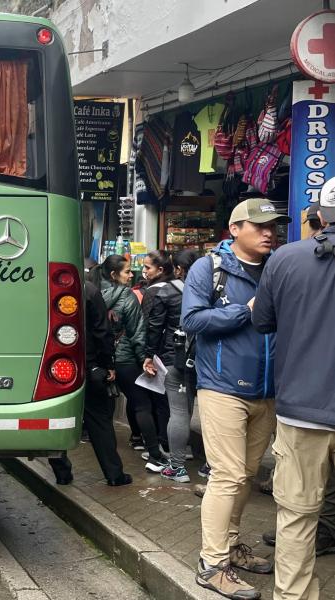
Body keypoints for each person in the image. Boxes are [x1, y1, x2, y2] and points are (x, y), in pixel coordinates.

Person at [182, 197, 287, 599]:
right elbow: (192, 320)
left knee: (244, 477)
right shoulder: (209, 268)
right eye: (259, 226)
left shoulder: (278, 268)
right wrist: (246, 310)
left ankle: (232, 547)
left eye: (273, 226)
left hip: (268, 393)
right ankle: (212, 565)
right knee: (226, 477)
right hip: (222, 388)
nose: (269, 233)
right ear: (235, 230)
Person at [252, 190, 335, 600]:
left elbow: (262, 321)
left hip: (303, 410)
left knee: (297, 517)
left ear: (319, 215)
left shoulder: (285, 259)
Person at [49, 279, 132, 487]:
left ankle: (62, 472)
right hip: (89, 364)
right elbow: (102, 331)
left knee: (55, 419)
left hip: (52, 365)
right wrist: (107, 363)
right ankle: (114, 473)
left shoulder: (43, 284)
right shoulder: (90, 290)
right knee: (100, 420)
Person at [90, 255, 148, 452]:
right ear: (114, 275)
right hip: (123, 357)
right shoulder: (127, 295)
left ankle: (104, 450)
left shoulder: (90, 292)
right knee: (141, 402)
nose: (131, 275)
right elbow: (137, 331)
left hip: (95, 360)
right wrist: (143, 360)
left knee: (101, 409)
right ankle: (155, 453)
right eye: (127, 271)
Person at [154, 249, 201, 483]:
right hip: (209, 361)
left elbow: (155, 326)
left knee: (180, 412)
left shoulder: (169, 291)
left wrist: (149, 354)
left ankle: (177, 466)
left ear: (179, 269)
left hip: (178, 358)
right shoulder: (210, 289)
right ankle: (212, 467)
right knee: (215, 414)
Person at [138, 250, 175, 474]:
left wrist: (147, 355)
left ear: (160, 270)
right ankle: (175, 445)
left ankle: (163, 446)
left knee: (160, 402)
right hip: (180, 352)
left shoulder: (154, 291)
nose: (144, 272)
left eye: (148, 268)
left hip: (162, 354)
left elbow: (150, 325)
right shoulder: (180, 286)